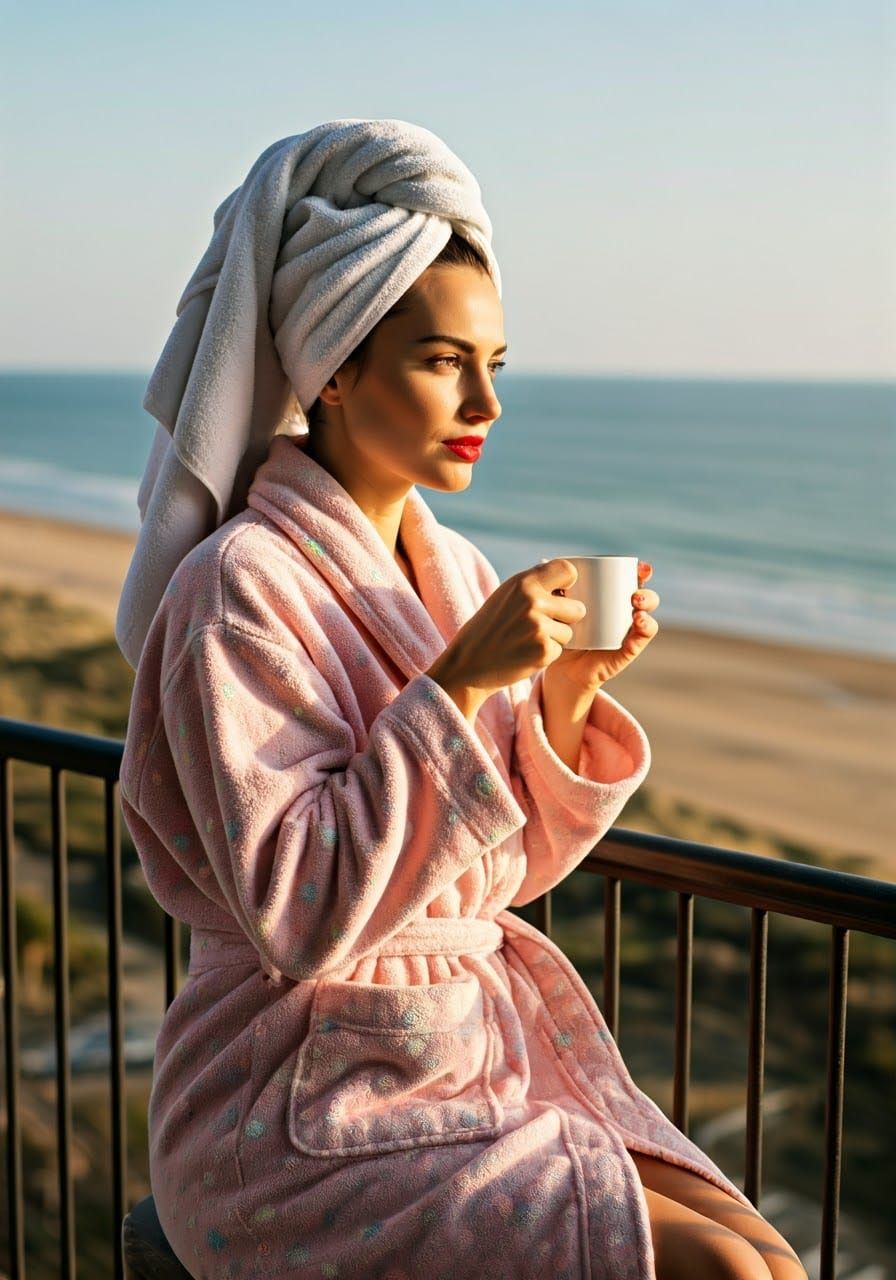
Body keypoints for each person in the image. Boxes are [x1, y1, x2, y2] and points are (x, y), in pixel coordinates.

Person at [117, 120, 806, 1280]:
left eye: (496, 362)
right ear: (331, 366)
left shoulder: (454, 573)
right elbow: (300, 912)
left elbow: (501, 870)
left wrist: (564, 696)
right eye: (443, 360)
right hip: (288, 1104)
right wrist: (460, 681)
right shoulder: (235, 587)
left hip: (459, 1057)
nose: (484, 397)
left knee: (763, 1251)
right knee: (723, 1273)